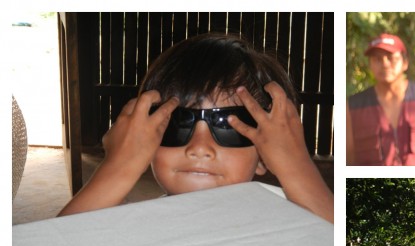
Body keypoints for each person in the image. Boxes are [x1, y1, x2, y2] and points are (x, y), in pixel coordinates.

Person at [58, 33, 333, 223]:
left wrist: (297, 166)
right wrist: (117, 167)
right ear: (146, 144)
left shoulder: (286, 219)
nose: (200, 148)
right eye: (178, 122)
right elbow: (56, 241)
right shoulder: (117, 221)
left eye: (228, 124)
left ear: (265, 154)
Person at [347, 33, 415, 166]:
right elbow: (349, 155)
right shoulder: (354, 106)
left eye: (391, 58)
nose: (385, 64)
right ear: (370, 65)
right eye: (377, 59)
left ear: (405, 63)